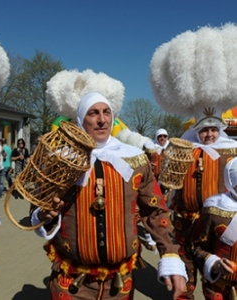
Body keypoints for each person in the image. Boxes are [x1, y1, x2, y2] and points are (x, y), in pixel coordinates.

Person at [31, 92, 187, 299]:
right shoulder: (60, 160)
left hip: (119, 282)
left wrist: (170, 255)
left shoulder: (134, 159)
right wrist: (45, 215)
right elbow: (37, 207)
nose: (102, 120)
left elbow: (155, 210)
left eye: (106, 113)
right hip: (70, 280)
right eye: (93, 113)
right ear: (80, 120)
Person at [169, 110, 237, 300]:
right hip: (185, 220)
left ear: (220, 130)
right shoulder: (185, 149)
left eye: (213, 129)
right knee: (184, 265)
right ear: (197, 130)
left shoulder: (233, 150)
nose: (209, 134)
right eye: (204, 130)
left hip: (216, 224)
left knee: (217, 270)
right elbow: (171, 182)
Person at [192, 157, 237, 299]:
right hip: (218, 286)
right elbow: (196, 246)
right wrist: (215, 264)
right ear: (232, 182)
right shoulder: (213, 209)